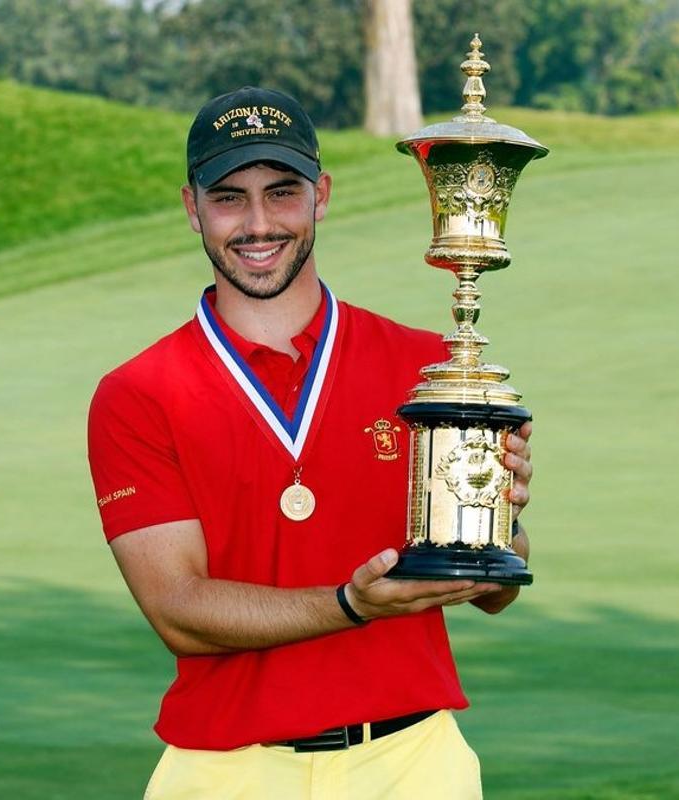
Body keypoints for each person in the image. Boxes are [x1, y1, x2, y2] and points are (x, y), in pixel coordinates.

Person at [87, 86, 534, 800]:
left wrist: (495, 517)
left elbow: (493, 596)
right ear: (191, 207)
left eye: (282, 193)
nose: (258, 224)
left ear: (321, 195)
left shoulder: (429, 366)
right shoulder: (140, 392)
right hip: (227, 770)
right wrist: (351, 604)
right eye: (229, 197)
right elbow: (178, 611)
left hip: (413, 763)